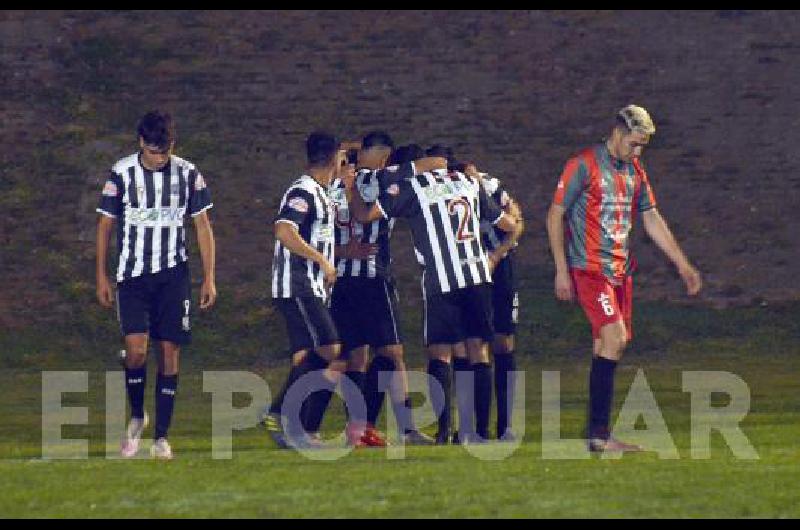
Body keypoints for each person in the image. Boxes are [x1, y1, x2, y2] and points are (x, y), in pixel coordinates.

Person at [546, 105, 702, 453]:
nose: (638, 151)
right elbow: (555, 215)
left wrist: (682, 264)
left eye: (642, 146)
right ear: (617, 132)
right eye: (634, 143)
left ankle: (598, 435)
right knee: (614, 338)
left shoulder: (634, 170)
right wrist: (561, 269)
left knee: (608, 344)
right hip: (589, 269)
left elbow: (651, 218)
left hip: (620, 272)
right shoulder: (583, 164)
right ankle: (599, 434)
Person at [352, 146, 518, 444]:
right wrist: (504, 229)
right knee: (478, 350)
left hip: (442, 278)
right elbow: (507, 224)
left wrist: (354, 187)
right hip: (477, 274)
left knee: (440, 353)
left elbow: (365, 215)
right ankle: (475, 432)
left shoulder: (414, 186)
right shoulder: (468, 182)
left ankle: (444, 430)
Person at [96, 110, 217, 460]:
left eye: (163, 152)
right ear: (140, 144)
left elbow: (203, 226)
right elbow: (105, 226)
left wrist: (209, 276)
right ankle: (137, 416)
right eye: (152, 151)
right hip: (132, 276)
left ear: (172, 145)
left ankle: (161, 437)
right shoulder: (120, 173)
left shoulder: (188, 173)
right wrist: (101, 275)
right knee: (135, 351)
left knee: (169, 352)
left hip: (172, 276)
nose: (158, 158)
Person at [262, 131, 343, 449]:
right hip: (297, 285)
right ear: (334, 158)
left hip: (312, 288)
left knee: (307, 356)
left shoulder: (323, 192)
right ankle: (278, 413)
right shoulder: (303, 190)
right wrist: (321, 260)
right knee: (330, 348)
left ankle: (297, 431)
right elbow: (284, 230)